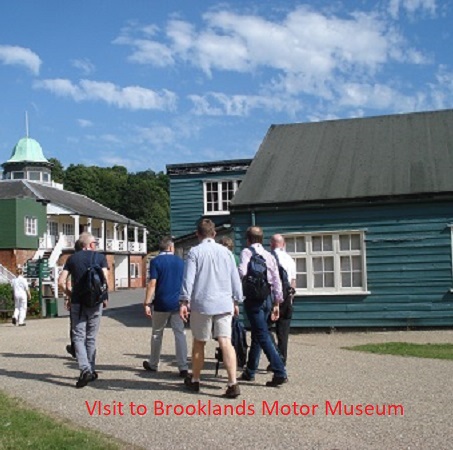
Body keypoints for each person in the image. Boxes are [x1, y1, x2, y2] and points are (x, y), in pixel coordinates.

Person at [179, 219, 243, 398]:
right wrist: (236, 300)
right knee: (226, 341)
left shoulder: (194, 252)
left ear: (198, 234)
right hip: (224, 302)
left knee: (199, 341)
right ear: (214, 234)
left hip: (202, 302)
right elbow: (235, 278)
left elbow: (188, 279)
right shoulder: (226, 253)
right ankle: (232, 383)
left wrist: (184, 301)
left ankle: (196, 380)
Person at [58, 232, 109, 388]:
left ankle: (85, 369)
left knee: (79, 336)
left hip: (78, 303)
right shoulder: (100, 258)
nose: (96, 246)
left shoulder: (72, 259)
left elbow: (61, 282)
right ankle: (91, 369)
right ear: (87, 245)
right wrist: (104, 298)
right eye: (94, 243)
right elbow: (105, 281)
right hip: (95, 303)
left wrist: (70, 295)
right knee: (91, 337)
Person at [239, 226, 288, 387]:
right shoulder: (269, 255)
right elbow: (276, 280)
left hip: (253, 299)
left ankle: (279, 370)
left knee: (262, 334)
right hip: (267, 298)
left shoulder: (247, 253)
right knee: (258, 333)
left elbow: (242, 272)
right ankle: (250, 370)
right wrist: (276, 302)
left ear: (248, 240)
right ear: (261, 239)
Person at [143, 237, 188, 378]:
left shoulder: (155, 261)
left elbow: (152, 283)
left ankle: (153, 363)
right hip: (178, 303)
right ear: (170, 248)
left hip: (161, 302)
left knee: (157, 333)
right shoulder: (181, 262)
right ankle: (183, 366)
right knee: (180, 333)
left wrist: (147, 302)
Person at [269, 234, 296, 366]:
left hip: (273, 296)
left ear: (271, 244)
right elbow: (293, 281)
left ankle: (275, 356)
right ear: (283, 244)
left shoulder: (270, 257)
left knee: (265, 329)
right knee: (283, 331)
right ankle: (282, 358)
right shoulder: (290, 259)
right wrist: (290, 299)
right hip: (287, 296)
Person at [65, 239, 84, 358]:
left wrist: (68, 297)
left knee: (75, 325)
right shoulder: (93, 259)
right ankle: (87, 350)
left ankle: (75, 349)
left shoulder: (72, 260)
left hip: (76, 297)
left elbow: (65, 281)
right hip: (90, 297)